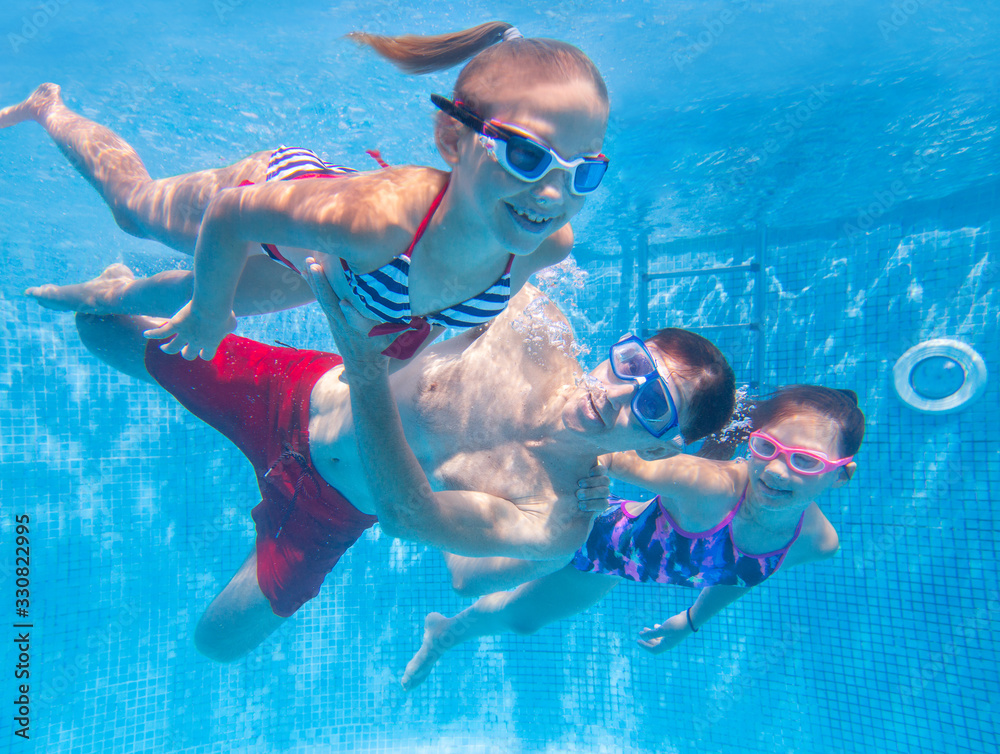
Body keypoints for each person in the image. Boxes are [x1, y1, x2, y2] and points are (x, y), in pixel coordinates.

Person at [71, 274, 736, 662]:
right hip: (291, 391)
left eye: (650, 406)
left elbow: (410, 516)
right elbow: (436, 265)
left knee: (218, 642)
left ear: (658, 445)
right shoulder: (534, 322)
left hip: (322, 512)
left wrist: (367, 370)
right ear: (616, 350)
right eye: (629, 367)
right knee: (94, 324)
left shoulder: (556, 518)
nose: (616, 394)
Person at [5, 22, 611, 362]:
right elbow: (231, 212)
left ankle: (113, 292)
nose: (553, 194)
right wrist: (216, 314)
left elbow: (449, 303)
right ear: (452, 137)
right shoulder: (376, 222)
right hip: (271, 195)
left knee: (184, 293)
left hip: (323, 272)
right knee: (132, 212)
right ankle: (48, 108)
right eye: (527, 155)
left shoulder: (543, 244)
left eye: (583, 170)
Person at [400, 385, 863, 690]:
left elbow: (740, 575)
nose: (778, 471)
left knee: (522, 619)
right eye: (766, 448)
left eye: (806, 461)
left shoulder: (816, 542)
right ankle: (444, 475)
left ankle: (442, 634)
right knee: (468, 579)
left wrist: (691, 620)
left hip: (616, 564)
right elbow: (613, 456)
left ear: (841, 477)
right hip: (591, 531)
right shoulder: (709, 486)